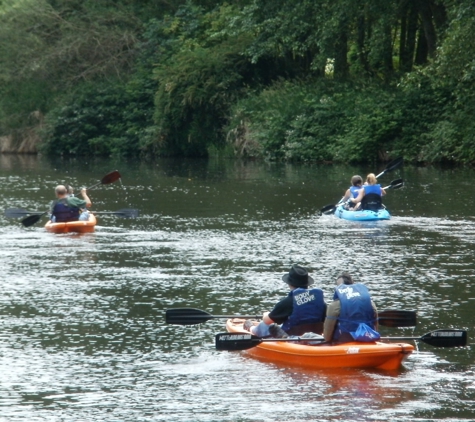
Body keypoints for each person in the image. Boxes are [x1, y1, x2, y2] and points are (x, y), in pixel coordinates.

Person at [243, 265, 326, 338]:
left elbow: (267, 321)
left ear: (290, 284)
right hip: (316, 336)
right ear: (307, 283)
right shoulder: (320, 302)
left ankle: (251, 329)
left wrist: (265, 315)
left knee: (265, 325)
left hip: (291, 338)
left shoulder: (288, 302)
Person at [323, 273, 378, 343]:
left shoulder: (334, 305)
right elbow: (375, 325)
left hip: (344, 341)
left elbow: (327, 337)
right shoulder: (370, 303)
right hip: (368, 339)